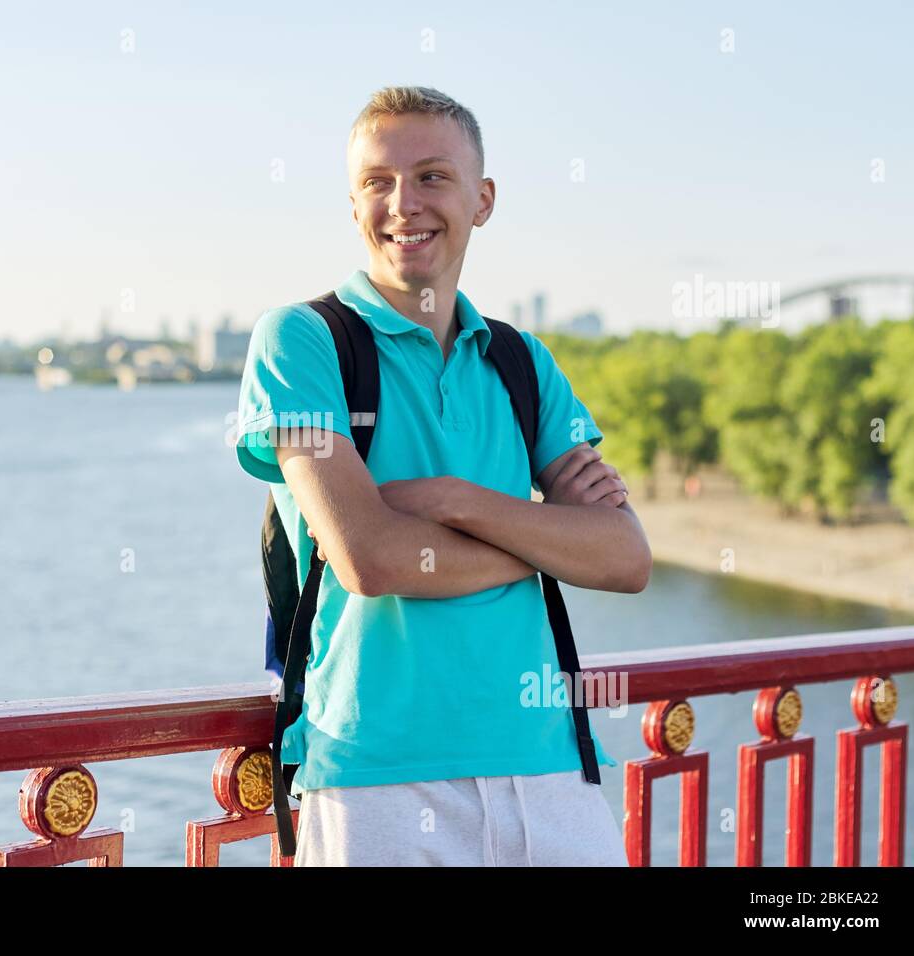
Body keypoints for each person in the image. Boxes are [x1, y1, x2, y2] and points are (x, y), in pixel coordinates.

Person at [234, 86, 651, 866]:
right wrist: (548, 541)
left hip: (551, 764)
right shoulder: (302, 341)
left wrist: (455, 501)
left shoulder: (523, 362)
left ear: (482, 200)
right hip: (376, 775)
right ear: (353, 202)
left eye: (432, 177)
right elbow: (372, 559)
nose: (403, 204)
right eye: (377, 182)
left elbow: (625, 560)